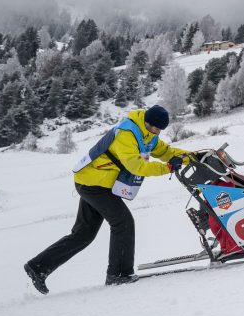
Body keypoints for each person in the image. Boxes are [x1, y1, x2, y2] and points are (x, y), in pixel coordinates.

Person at [24, 105, 190, 293]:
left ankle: (37, 267)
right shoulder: (126, 134)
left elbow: (166, 152)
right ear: (147, 122)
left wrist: (191, 157)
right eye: (155, 129)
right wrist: (168, 168)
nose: (157, 132)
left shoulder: (148, 134)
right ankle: (118, 274)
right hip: (92, 183)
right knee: (123, 222)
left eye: (160, 130)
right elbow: (137, 166)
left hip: (99, 182)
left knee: (83, 234)